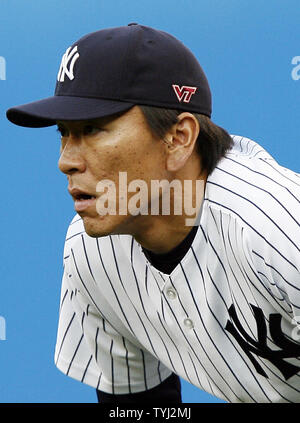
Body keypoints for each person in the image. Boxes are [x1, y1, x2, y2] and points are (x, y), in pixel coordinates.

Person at [6, 23, 300, 403]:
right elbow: (138, 404)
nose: (66, 161)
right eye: (64, 131)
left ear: (178, 139)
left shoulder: (276, 229)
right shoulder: (91, 252)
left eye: (93, 129)